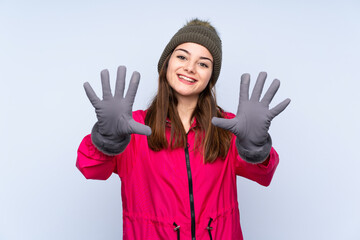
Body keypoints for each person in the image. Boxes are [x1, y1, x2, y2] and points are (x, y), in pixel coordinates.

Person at [76, 19, 290, 240]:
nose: (190, 67)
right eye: (182, 56)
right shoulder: (132, 127)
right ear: (167, 63)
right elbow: (90, 168)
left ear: (210, 77)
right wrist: (105, 138)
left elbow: (264, 174)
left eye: (203, 63)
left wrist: (257, 145)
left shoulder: (229, 127)